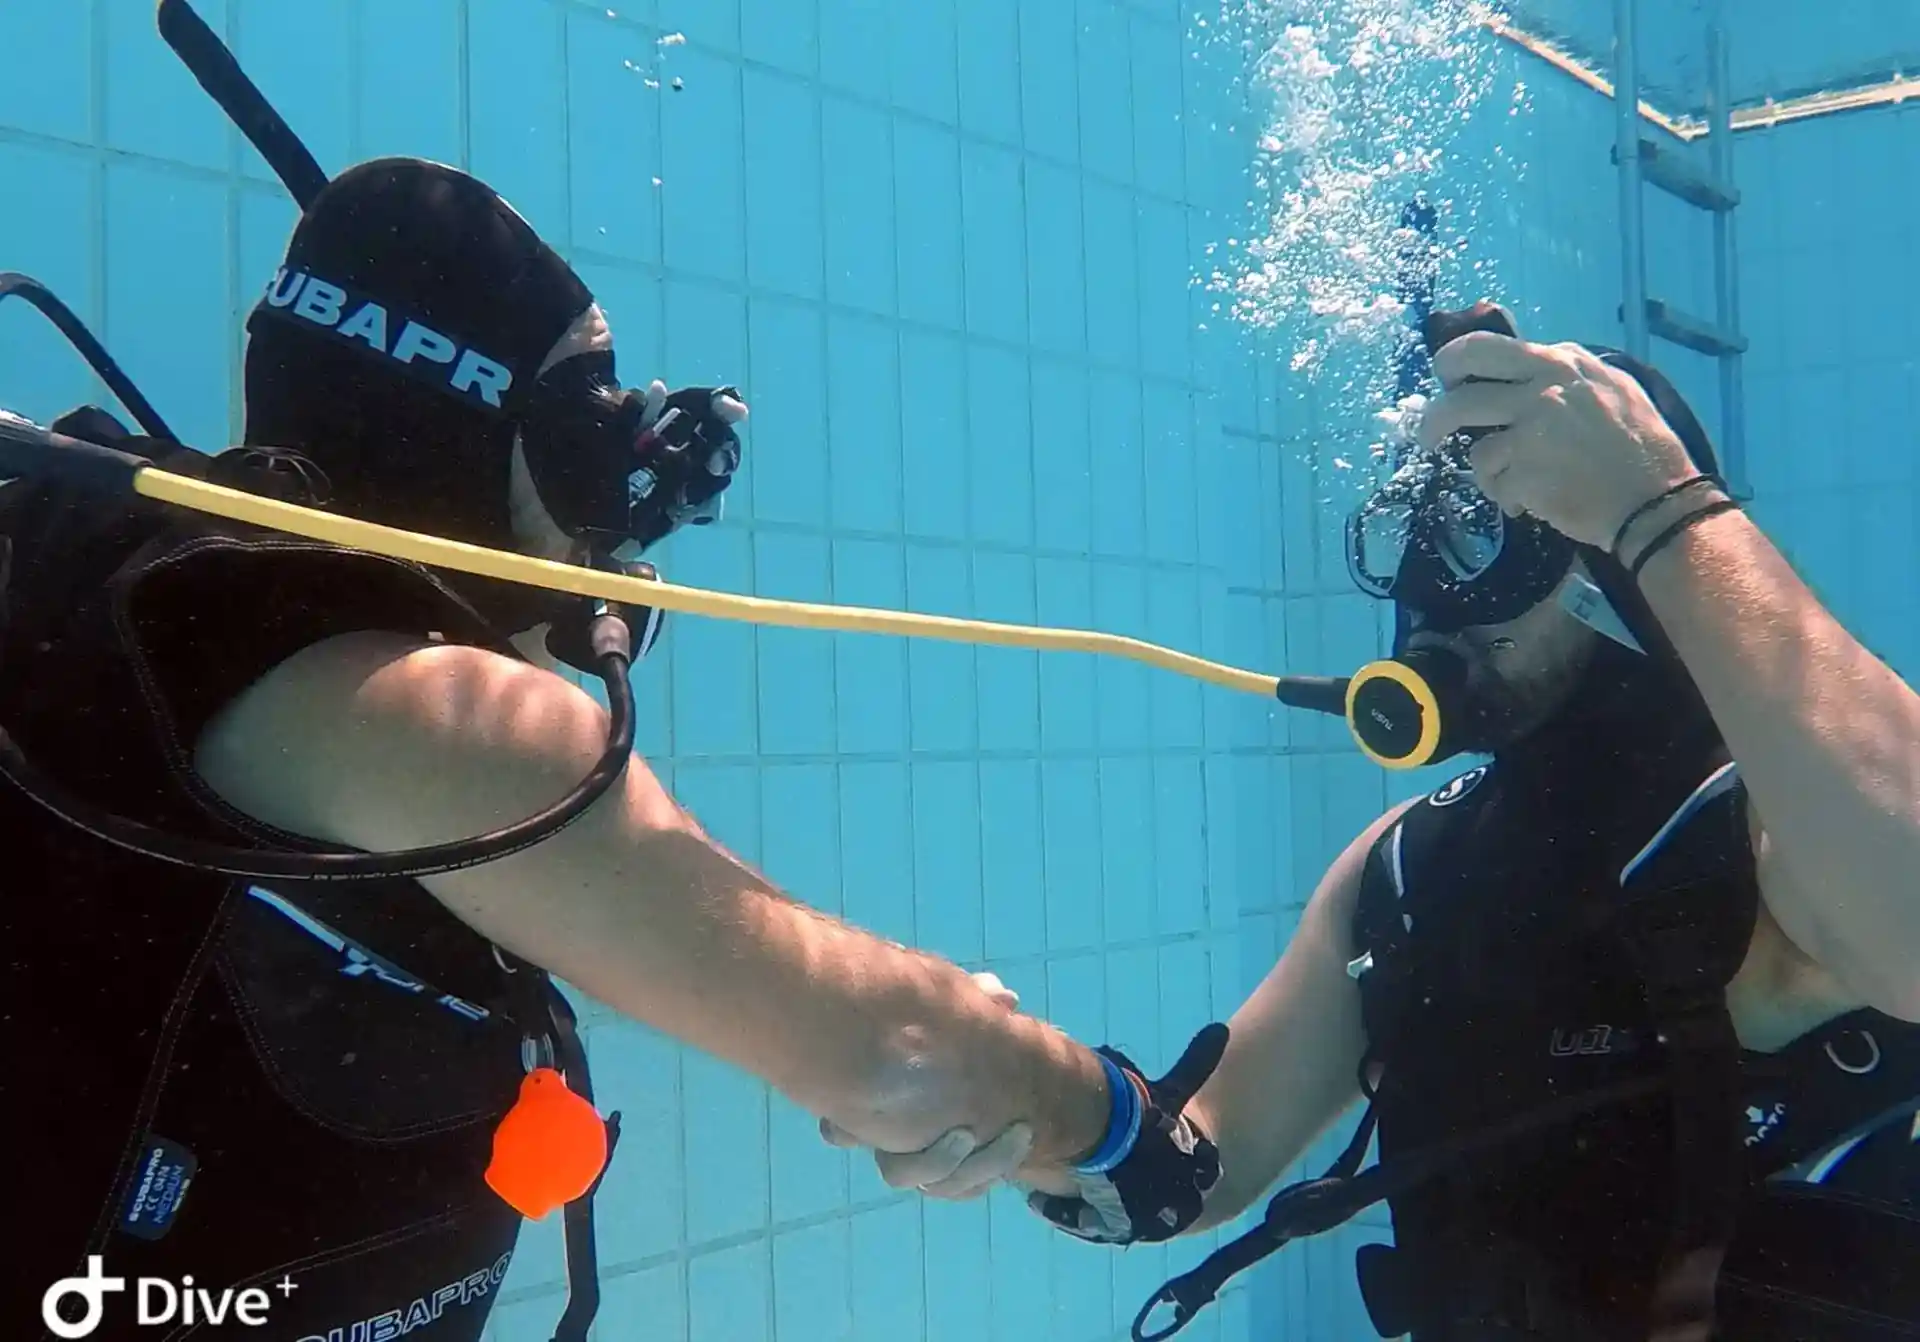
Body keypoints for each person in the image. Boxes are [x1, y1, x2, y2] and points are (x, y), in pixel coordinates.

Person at [3, 10, 1223, 1340]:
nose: (619, 545)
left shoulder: (102, 582)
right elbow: (897, 1051)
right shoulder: (448, 728)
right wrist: (1122, 1131)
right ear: (455, 432)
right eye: (588, 451)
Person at [861, 304, 1920, 1342]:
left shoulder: (1775, 832)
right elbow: (1193, 1162)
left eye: (1482, 535)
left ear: (1610, 572)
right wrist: (1016, 1096)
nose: (1429, 592)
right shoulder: (1407, 868)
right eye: (1409, 530)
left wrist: (1662, 507)